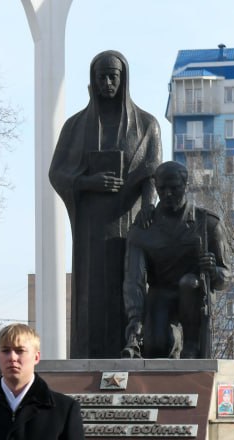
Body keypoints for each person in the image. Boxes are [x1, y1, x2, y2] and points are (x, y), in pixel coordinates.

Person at [50, 50, 162, 358]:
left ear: (124, 79)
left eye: (114, 76)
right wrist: (89, 182)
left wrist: (149, 206)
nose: (108, 82)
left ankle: (131, 348)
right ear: (93, 80)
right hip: (91, 227)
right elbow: (56, 172)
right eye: (102, 77)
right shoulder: (75, 127)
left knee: (129, 289)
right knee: (92, 295)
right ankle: (88, 358)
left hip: (131, 224)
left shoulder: (147, 124)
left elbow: (154, 170)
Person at [120, 161, 228, 359]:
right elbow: (133, 281)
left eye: (174, 187)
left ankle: (191, 345)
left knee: (189, 282)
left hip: (193, 295)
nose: (168, 193)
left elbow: (224, 278)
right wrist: (135, 325)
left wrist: (213, 271)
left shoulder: (207, 224)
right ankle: (171, 342)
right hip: (160, 294)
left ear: (185, 185)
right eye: (162, 188)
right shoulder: (143, 228)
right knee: (156, 348)